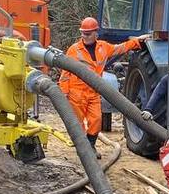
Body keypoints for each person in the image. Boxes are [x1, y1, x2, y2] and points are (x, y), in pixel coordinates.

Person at [57, 17, 146, 146]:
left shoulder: (103, 47)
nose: (84, 36)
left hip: (93, 92)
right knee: (77, 123)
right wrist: (64, 92)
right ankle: (84, 149)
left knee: (96, 121)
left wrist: (137, 42)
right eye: (82, 33)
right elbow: (65, 73)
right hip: (76, 93)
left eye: (87, 34)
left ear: (95, 33)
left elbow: (120, 48)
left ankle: (91, 145)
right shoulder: (74, 50)